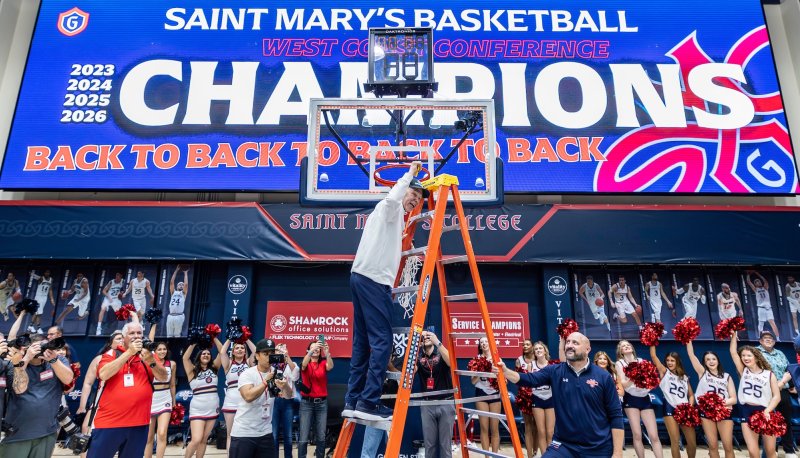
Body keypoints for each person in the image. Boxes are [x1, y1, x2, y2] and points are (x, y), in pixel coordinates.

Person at [343, 161, 427, 421]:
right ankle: (369, 402)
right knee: (382, 342)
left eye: (419, 198)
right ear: (402, 191)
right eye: (413, 195)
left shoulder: (393, 218)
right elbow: (393, 200)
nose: (414, 200)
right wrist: (410, 174)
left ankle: (353, 400)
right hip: (374, 280)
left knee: (362, 343)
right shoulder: (389, 207)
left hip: (360, 277)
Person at [497, 332, 623, 458]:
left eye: (575, 343)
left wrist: (617, 453)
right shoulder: (555, 371)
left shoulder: (603, 376)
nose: (569, 345)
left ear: (587, 349)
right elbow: (529, 379)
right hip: (564, 446)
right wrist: (505, 371)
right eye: (568, 342)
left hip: (598, 447)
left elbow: (616, 415)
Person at [87, 322, 166, 458]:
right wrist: (129, 352)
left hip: (139, 424)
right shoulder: (111, 354)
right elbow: (104, 374)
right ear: (123, 337)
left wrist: (151, 361)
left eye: (139, 333)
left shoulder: (147, 356)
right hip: (109, 423)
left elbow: (164, 377)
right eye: (132, 333)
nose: (136, 336)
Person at [0, 333, 72, 458]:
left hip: (47, 432)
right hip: (18, 433)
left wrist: (53, 360)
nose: (41, 351)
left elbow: (68, 379)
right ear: (26, 347)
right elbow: (19, 389)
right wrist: (26, 358)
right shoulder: (16, 363)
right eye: (36, 347)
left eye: (43, 346)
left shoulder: (57, 360)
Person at [230, 339, 286, 458]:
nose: (269, 357)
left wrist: (284, 387)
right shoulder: (247, 374)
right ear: (257, 355)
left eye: (271, 354)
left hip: (266, 432)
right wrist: (266, 381)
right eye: (265, 354)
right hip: (244, 433)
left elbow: (288, 395)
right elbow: (248, 396)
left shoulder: (277, 373)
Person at [729, 331, 781, 458]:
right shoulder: (743, 371)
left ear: (756, 357)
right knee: (753, 452)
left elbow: (776, 396)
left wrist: (768, 411)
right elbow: (733, 352)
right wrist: (734, 336)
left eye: (748, 355)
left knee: (770, 451)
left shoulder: (769, 374)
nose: (745, 358)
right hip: (746, 411)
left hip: (765, 412)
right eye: (743, 356)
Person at [77, 331, 124, 458]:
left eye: (123, 338)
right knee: (86, 430)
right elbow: (87, 383)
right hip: (101, 403)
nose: (121, 340)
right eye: (118, 338)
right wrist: (82, 407)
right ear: (110, 342)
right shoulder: (99, 359)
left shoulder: (133, 359)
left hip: (124, 408)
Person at [686, 341, 736, 458]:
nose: (711, 361)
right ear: (704, 362)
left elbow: (734, 399)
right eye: (708, 359)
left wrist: (718, 404)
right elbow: (691, 355)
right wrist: (688, 339)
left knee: (727, 446)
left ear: (718, 361)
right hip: (706, 413)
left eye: (713, 359)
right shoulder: (702, 373)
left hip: (723, 411)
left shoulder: (727, 376)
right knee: (713, 445)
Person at [615, 340, 664, 458]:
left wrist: (649, 384)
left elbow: (652, 379)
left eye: (628, 345)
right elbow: (623, 384)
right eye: (623, 346)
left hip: (645, 398)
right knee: (637, 435)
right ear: (621, 351)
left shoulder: (641, 361)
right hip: (631, 399)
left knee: (654, 435)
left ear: (632, 348)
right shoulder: (620, 363)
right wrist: (634, 376)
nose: (626, 347)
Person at [649, 346, 696, 458]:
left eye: (672, 360)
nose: (669, 363)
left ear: (677, 362)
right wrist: (652, 342)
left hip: (684, 409)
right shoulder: (664, 372)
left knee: (692, 443)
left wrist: (689, 407)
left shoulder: (684, 377)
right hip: (670, 408)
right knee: (675, 441)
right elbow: (653, 356)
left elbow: (691, 395)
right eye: (668, 360)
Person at [755, 330, 796, 458]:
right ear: (760, 341)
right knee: (769, 421)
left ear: (774, 340)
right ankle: (772, 450)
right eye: (765, 338)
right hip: (765, 393)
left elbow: (789, 370)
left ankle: (789, 450)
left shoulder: (780, 353)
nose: (768, 339)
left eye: (771, 338)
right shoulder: (755, 353)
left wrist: (791, 385)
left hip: (782, 391)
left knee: (785, 421)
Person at [182, 336, 224, 458]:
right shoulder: (192, 370)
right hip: (198, 409)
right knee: (196, 439)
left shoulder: (214, 368)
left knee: (204, 439)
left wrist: (214, 337)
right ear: (199, 356)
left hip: (212, 407)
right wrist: (193, 343)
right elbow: (185, 358)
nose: (206, 355)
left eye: (208, 353)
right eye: (203, 353)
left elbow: (222, 352)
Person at [416, 330, 454, 458]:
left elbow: (451, 362)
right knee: (429, 446)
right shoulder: (419, 357)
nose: (426, 338)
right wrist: (415, 346)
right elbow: (410, 370)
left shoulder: (440, 353)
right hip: (427, 404)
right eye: (423, 336)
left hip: (446, 402)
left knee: (446, 446)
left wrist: (438, 342)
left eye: (428, 336)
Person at [145, 325, 177, 458]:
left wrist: (173, 401)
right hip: (151, 398)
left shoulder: (172, 364)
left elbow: (172, 385)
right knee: (149, 436)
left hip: (165, 399)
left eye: (164, 349)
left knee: (162, 433)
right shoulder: (150, 362)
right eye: (159, 349)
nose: (162, 351)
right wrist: (154, 325)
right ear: (155, 351)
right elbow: (149, 343)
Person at [299, 338, 333, 458]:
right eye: (313, 347)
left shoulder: (323, 363)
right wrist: (311, 350)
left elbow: (330, 367)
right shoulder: (306, 363)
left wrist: (327, 353)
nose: (316, 349)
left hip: (321, 404)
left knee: (321, 436)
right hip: (306, 404)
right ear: (308, 350)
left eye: (318, 348)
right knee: (303, 436)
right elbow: (303, 365)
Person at [221, 339, 256, 451]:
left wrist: (246, 338)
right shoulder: (229, 363)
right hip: (231, 402)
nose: (240, 350)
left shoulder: (249, 363)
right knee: (230, 434)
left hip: (247, 401)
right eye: (237, 348)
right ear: (233, 351)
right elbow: (222, 352)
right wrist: (229, 338)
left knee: (247, 434)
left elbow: (255, 351)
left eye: (242, 348)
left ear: (245, 351)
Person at [271, 343, 298, 458]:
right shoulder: (270, 365)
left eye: (283, 350)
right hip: (274, 401)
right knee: (274, 434)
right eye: (278, 350)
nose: (280, 352)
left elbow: (295, 376)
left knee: (287, 435)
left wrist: (287, 357)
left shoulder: (291, 364)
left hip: (288, 401)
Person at [529, 341, 555, 455]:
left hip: (550, 398)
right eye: (536, 349)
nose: (538, 350)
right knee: (541, 431)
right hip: (537, 398)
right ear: (534, 352)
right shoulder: (531, 365)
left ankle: (551, 455)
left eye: (540, 348)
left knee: (550, 432)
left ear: (545, 351)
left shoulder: (552, 365)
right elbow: (529, 383)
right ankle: (544, 455)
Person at [516, 339, 538, 458]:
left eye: (527, 344)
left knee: (538, 427)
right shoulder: (519, 360)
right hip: (525, 397)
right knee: (528, 426)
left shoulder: (538, 358)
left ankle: (535, 452)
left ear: (532, 346)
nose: (525, 346)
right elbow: (517, 379)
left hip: (538, 396)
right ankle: (529, 455)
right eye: (523, 344)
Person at [746, 271, 780, 340]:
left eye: (759, 281)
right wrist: (748, 274)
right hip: (761, 308)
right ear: (755, 284)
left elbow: (765, 281)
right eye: (756, 282)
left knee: (772, 323)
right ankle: (759, 337)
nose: (758, 282)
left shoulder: (765, 287)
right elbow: (749, 282)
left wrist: (758, 273)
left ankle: (778, 338)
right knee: (761, 324)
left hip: (768, 308)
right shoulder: (756, 289)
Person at [28, 269, 55, 333]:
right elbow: (35, 276)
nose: (47, 273)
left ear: (49, 273)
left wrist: (51, 299)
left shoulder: (51, 279)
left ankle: (31, 326)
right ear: (44, 273)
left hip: (44, 297)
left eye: (48, 272)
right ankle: (36, 327)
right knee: (38, 313)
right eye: (46, 272)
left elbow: (50, 290)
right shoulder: (41, 278)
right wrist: (32, 274)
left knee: (38, 313)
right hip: (38, 297)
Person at [167, 267, 188, 338]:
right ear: (177, 286)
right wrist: (176, 270)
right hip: (170, 315)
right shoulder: (173, 292)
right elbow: (171, 282)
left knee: (177, 335)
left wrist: (185, 273)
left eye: (182, 284)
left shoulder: (183, 293)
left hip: (179, 315)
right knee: (169, 336)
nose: (181, 285)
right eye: (180, 284)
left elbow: (186, 285)